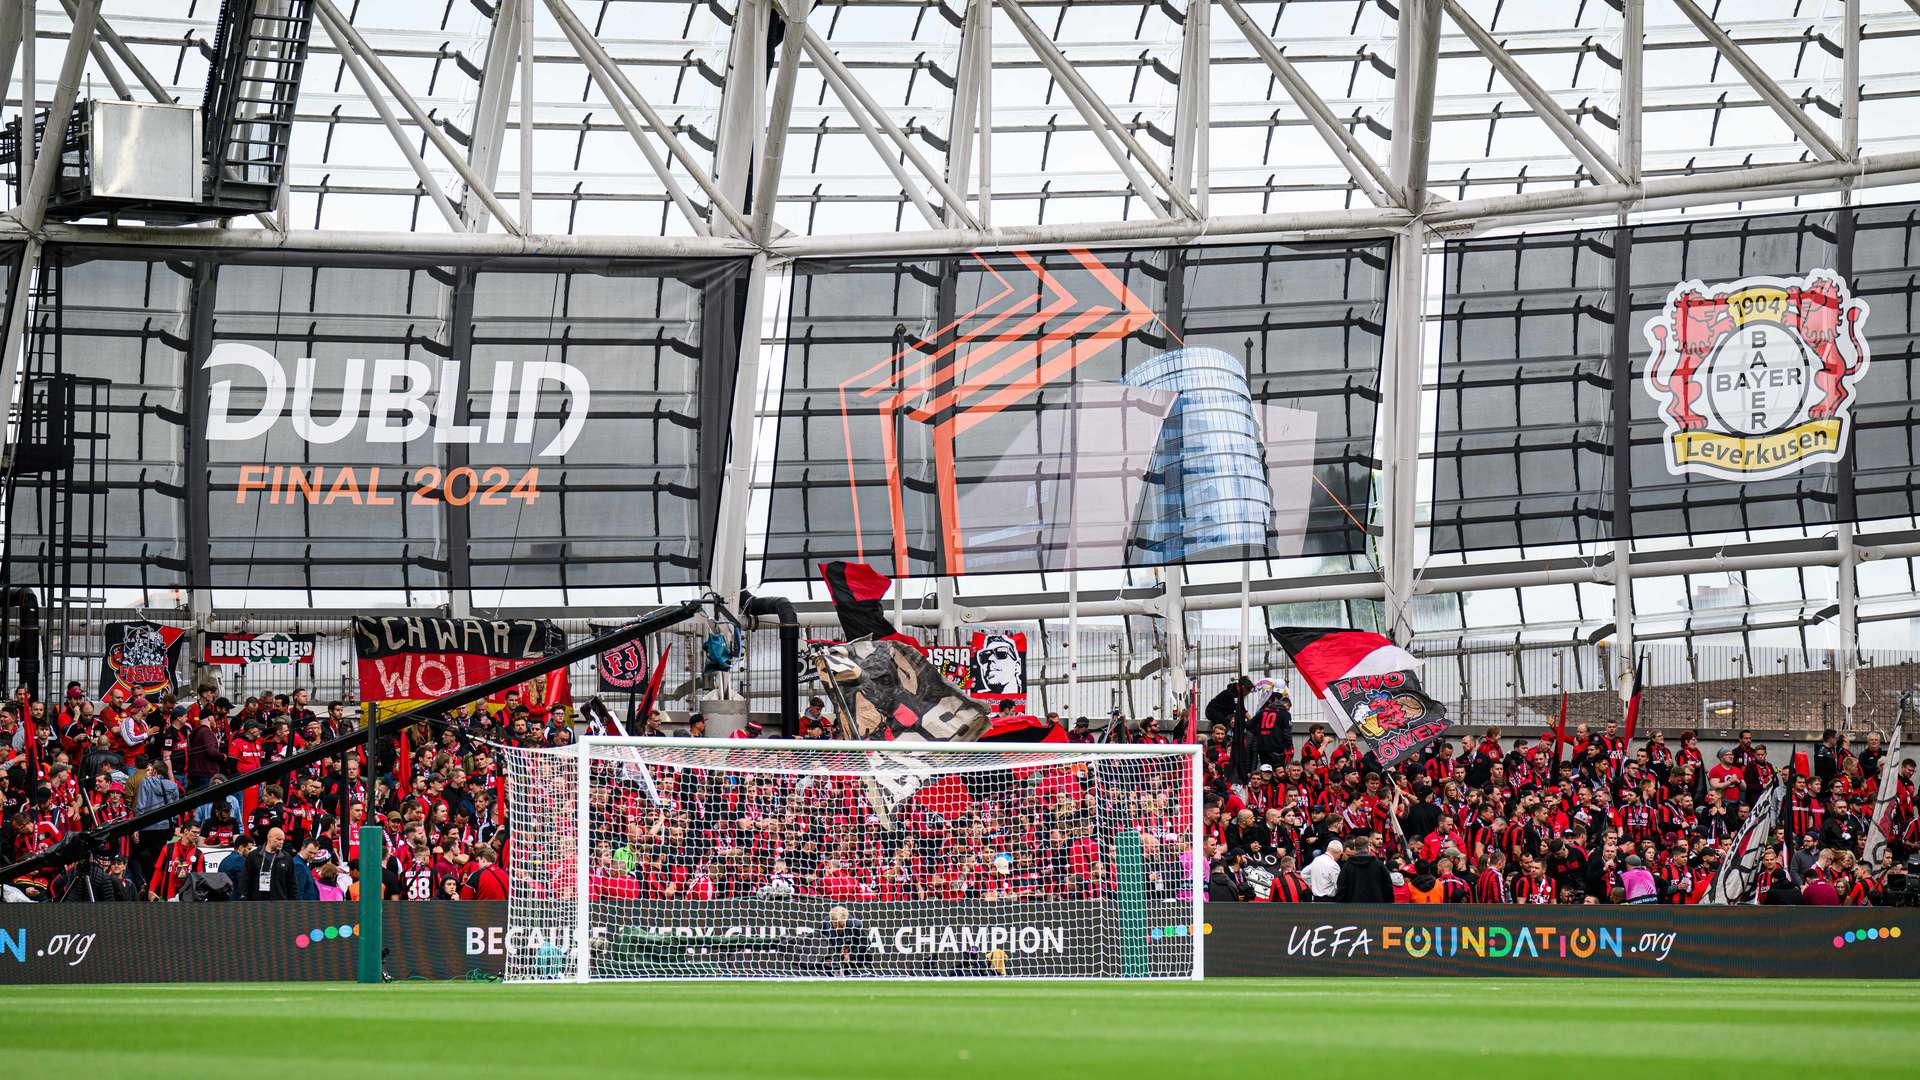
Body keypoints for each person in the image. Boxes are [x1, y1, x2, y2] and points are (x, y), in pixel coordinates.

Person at [241, 827, 299, 900]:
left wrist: (292, 904)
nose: (281, 842)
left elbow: (292, 884)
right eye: (279, 839)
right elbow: (245, 879)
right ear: (269, 838)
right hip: (257, 903)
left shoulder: (287, 858)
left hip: (280, 904)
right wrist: (244, 898)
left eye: (283, 840)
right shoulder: (254, 856)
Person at [1334, 835, 1394, 903]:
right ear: (1368, 848)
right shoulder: (1379, 865)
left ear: (1355, 848)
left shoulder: (1347, 866)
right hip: (1376, 908)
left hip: (1353, 908)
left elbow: (1341, 889)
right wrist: (1388, 904)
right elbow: (1388, 887)